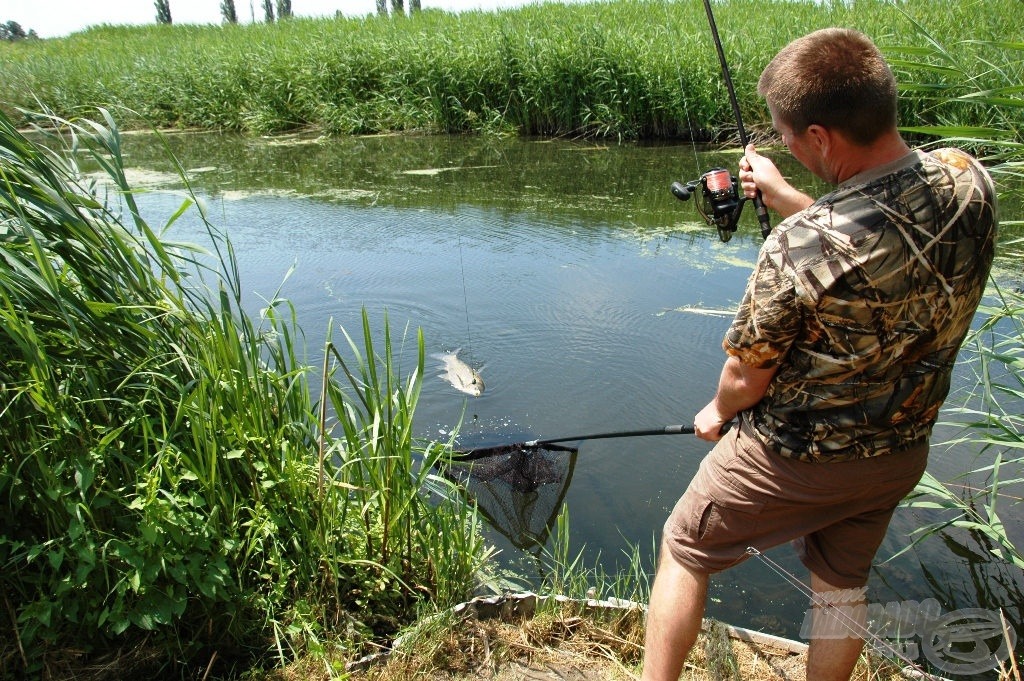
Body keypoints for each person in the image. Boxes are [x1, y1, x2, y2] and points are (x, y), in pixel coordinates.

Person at [642, 28, 997, 681]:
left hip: (796, 458)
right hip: (901, 449)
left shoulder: (800, 245)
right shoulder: (967, 181)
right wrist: (791, 199)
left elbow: (747, 373)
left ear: (822, 138)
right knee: (839, 582)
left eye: (787, 135)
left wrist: (714, 412)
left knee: (685, 544)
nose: (788, 147)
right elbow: (880, 247)